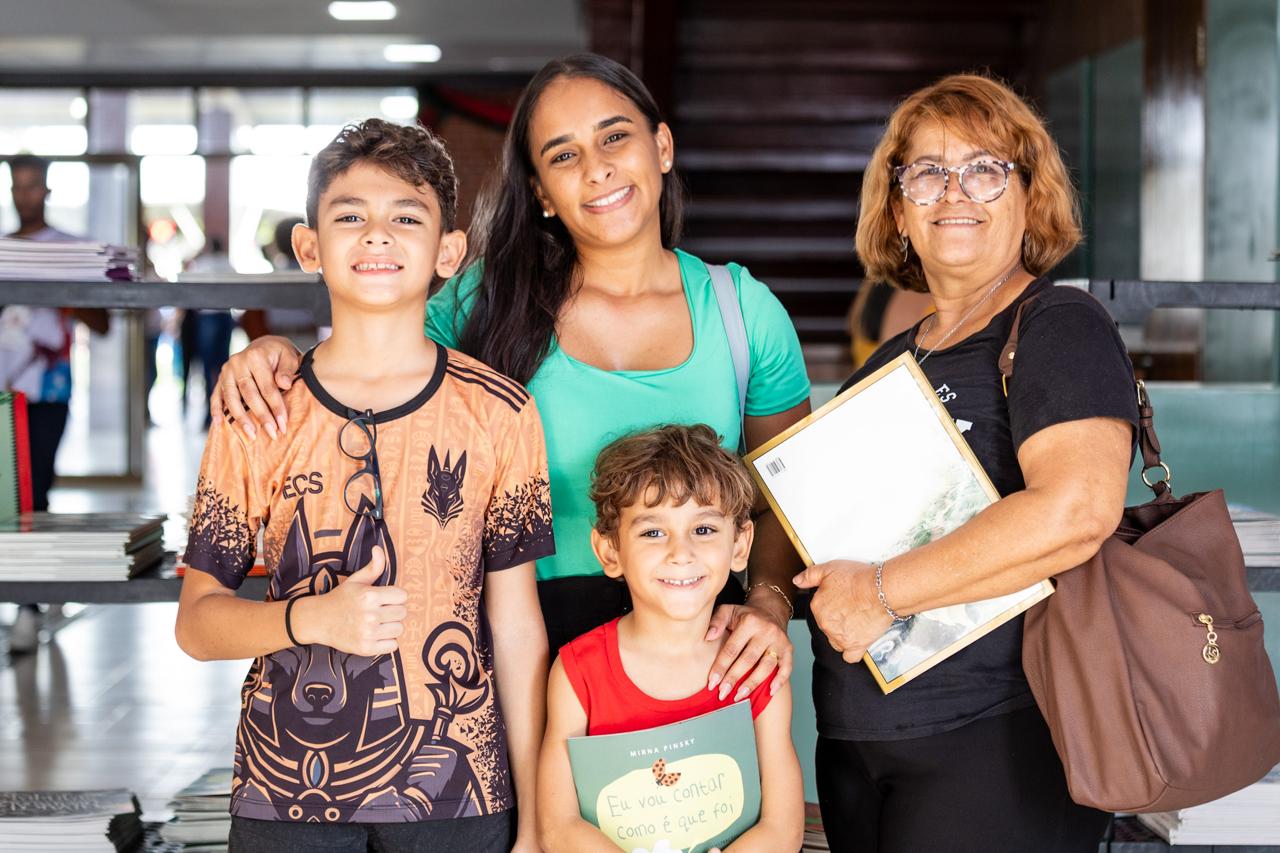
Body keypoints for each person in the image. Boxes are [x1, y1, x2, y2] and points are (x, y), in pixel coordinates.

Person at [212, 53, 811, 703]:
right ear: (540, 194)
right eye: (563, 155)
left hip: (698, 639)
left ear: (660, 145)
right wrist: (276, 350)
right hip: (528, 641)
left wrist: (769, 606)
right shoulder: (488, 302)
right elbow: (369, 349)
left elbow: (788, 496)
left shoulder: (741, 311)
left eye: (615, 136)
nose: (597, 167)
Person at [175, 119, 551, 852]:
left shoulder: (502, 412)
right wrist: (308, 620)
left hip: (460, 791)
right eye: (350, 216)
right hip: (281, 797)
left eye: (405, 218)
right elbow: (196, 622)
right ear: (310, 246)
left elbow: (517, 627)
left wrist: (535, 818)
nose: (377, 236)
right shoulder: (258, 409)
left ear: (449, 251)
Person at [791, 73, 1139, 853]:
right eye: (928, 171)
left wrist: (880, 590)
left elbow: (1076, 510)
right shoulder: (884, 364)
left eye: (986, 169)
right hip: (859, 744)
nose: (955, 191)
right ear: (899, 208)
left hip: (993, 744)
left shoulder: (1058, 325)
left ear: (1030, 197)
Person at [537, 424, 803, 852]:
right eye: (653, 532)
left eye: (703, 530)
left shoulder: (757, 668)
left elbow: (781, 829)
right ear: (610, 552)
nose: (681, 553)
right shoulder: (576, 672)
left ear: (740, 544)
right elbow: (559, 826)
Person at [3, 153, 109, 654]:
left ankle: (32, 601)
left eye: (33, 186)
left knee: (35, 490)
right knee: (11, 495)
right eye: (17, 187)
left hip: (48, 390)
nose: (25, 195)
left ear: (46, 190)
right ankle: (32, 591)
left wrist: (64, 289)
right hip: (4, 391)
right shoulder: (2, 250)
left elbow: (104, 321)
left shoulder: (69, 249)